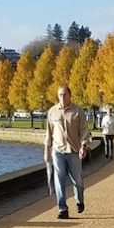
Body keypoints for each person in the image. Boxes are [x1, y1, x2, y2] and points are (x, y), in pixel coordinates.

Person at [45, 85, 90, 219]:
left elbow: (84, 130)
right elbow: (49, 132)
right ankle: (62, 208)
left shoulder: (78, 111)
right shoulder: (52, 112)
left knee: (78, 180)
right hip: (58, 150)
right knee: (59, 179)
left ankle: (79, 200)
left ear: (70, 95)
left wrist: (83, 145)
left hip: (74, 151)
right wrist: (47, 150)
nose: (62, 97)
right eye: (60, 95)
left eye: (64, 94)